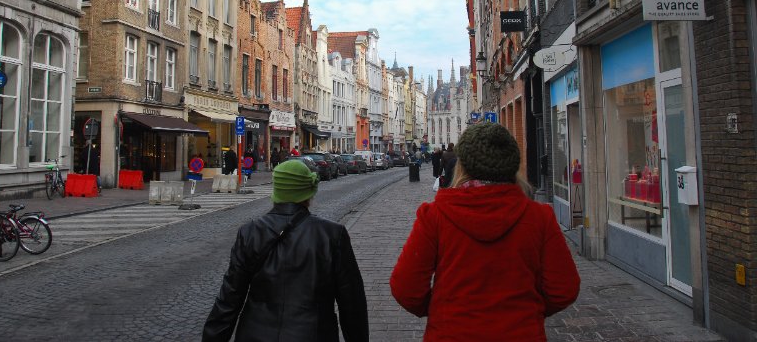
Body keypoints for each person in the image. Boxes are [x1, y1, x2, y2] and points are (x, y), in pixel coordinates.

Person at [390, 122, 580, 341]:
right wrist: (527, 310)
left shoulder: (435, 216)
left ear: (463, 166)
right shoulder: (539, 217)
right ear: (512, 166)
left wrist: (443, 308)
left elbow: (406, 288)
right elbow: (564, 289)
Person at [202, 160, 369, 342]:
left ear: (277, 191)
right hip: (313, 333)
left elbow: (229, 299)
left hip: (256, 333)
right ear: (309, 193)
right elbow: (352, 304)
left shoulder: (250, 232)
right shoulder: (332, 234)